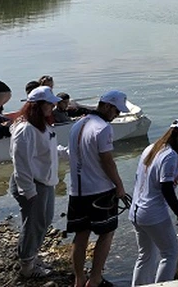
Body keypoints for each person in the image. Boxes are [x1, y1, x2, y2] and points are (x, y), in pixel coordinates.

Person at [68, 90, 132, 287]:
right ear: (106, 106)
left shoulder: (77, 125)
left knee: (81, 235)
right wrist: (120, 186)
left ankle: (79, 279)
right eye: (116, 111)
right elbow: (107, 161)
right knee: (106, 234)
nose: (117, 115)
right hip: (100, 191)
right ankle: (94, 279)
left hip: (77, 191)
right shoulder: (103, 128)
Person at [129, 118, 178, 286]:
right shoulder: (170, 156)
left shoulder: (151, 148)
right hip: (153, 213)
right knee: (171, 253)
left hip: (136, 211)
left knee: (145, 256)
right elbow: (166, 188)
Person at [9, 86, 65, 280]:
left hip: (45, 182)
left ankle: (32, 257)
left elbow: (48, 149)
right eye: (49, 103)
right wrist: (28, 191)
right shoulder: (25, 129)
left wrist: (68, 153)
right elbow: (21, 163)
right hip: (32, 183)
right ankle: (27, 266)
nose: (53, 106)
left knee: (44, 221)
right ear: (37, 105)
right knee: (34, 224)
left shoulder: (43, 125)